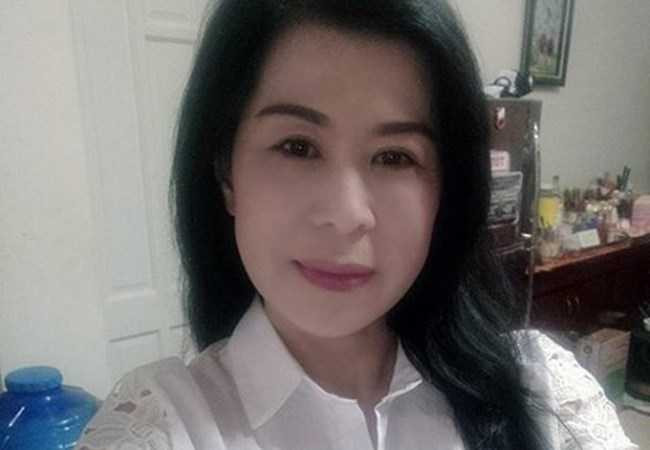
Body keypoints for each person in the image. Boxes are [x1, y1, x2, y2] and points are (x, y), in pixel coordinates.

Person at [76, 1, 637, 449]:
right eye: (297, 146)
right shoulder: (161, 427)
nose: (347, 216)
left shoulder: (542, 395)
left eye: (395, 157)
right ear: (227, 174)